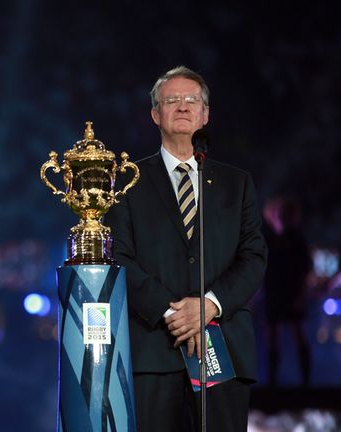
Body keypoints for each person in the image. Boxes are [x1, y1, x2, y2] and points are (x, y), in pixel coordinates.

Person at [106, 66, 267, 431]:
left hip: (222, 350)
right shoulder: (127, 183)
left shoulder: (236, 184)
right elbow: (118, 256)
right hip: (152, 353)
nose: (182, 106)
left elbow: (254, 257)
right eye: (172, 100)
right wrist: (173, 313)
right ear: (155, 114)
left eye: (192, 99)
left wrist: (209, 305)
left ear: (205, 114)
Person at [261, 196, 312, 387]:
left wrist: (300, 294)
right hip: (274, 292)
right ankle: (273, 382)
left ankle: (305, 382)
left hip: (290, 292)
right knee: (273, 336)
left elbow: (304, 270)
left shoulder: (296, 240)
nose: (278, 217)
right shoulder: (268, 240)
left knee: (297, 333)